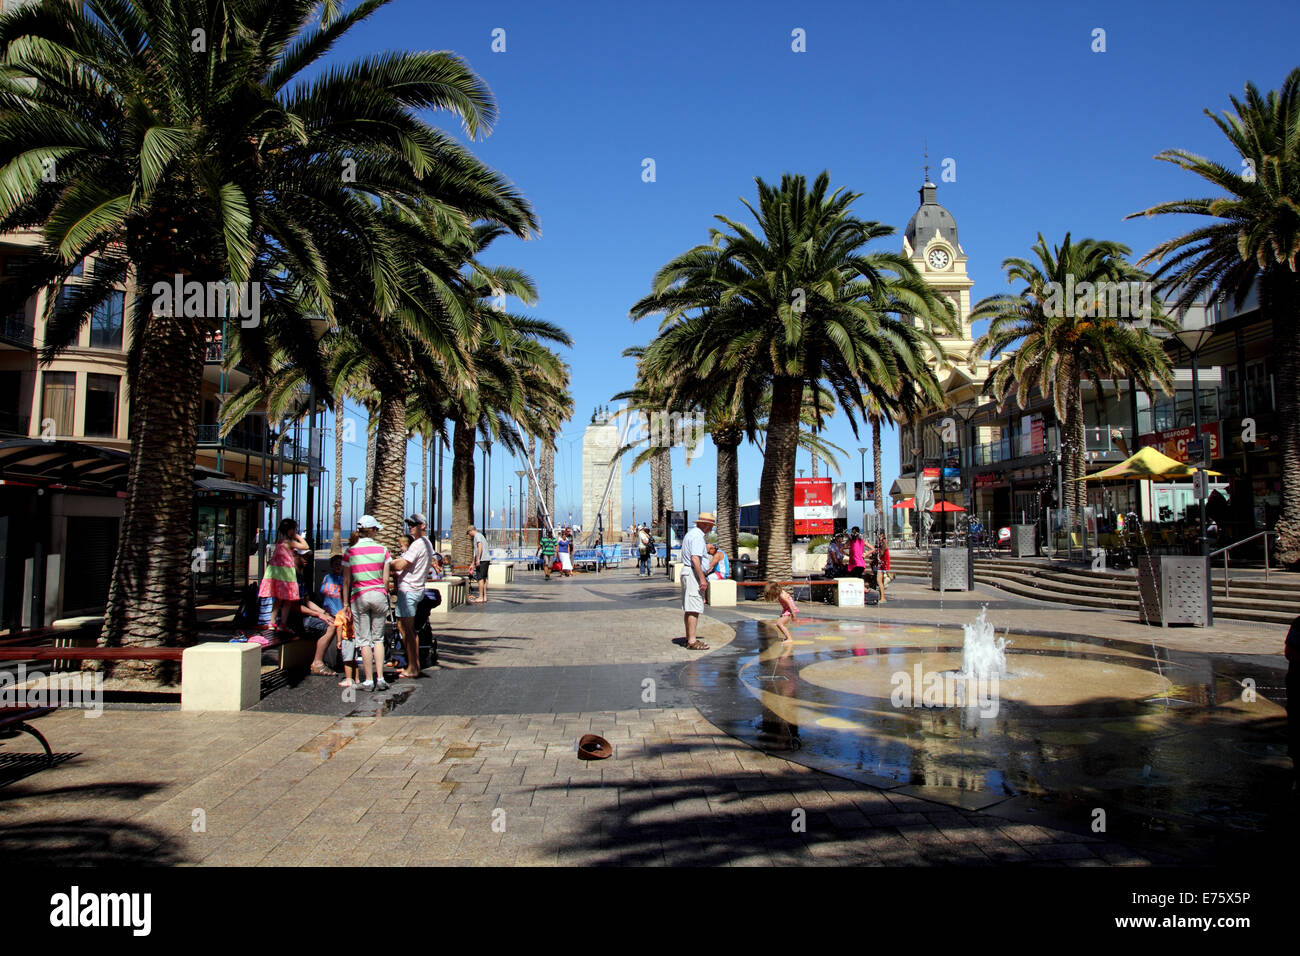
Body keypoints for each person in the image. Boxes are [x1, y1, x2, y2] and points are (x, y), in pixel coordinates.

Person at [344, 515, 391, 692]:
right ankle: (380, 678)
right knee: (378, 638)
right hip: (378, 594)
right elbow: (386, 579)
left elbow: (346, 581)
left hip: (359, 597)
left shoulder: (350, 552)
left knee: (363, 640)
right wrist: (383, 591)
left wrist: (345, 603)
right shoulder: (383, 550)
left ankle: (368, 680)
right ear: (372, 531)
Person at [390, 513, 432, 679]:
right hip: (415, 589)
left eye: (414, 524)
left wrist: (384, 562)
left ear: (422, 525)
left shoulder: (417, 545)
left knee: (408, 630)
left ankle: (413, 667)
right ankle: (412, 664)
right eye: (409, 523)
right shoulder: (426, 543)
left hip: (409, 591)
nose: (410, 526)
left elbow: (401, 564)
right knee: (404, 627)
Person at [258, 518, 308, 633]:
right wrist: (297, 536)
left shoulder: (279, 541)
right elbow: (305, 546)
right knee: (287, 600)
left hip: (276, 572)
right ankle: (282, 623)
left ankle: (272, 621)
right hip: (285, 574)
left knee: (279, 600)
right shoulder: (289, 542)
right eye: (294, 529)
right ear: (291, 530)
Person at [309, 553, 348, 675]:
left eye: (340, 564)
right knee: (332, 637)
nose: (338, 566)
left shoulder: (345, 579)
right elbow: (322, 593)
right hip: (329, 612)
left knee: (341, 639)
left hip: (340, 613)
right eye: (335, 564)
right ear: (331, 565)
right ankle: (330, 661)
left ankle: (341, 662)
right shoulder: (327, 577)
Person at [681, 512, 713, 650]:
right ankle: (692, 641)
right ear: (705, 525)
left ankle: (689, 637)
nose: (711, 529)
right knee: (694, 608)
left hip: (688, 571)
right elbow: (695, 559)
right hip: (693, 573)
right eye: (711, 526)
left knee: (689, 608)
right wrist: (702, 578)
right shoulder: (697, 537)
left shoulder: (691, 534)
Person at [466, 523, 490, 602]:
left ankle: (480, 597)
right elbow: (475, 552)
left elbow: (479, 547)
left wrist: (478, 559)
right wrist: (472, 564)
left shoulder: (477, 536)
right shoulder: (480, 536)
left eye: (468, 533)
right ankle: (484, 596)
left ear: (471, 531)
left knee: (480, 578)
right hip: (485, 559)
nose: (469, 535)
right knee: (484, 578)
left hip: (482, 560)